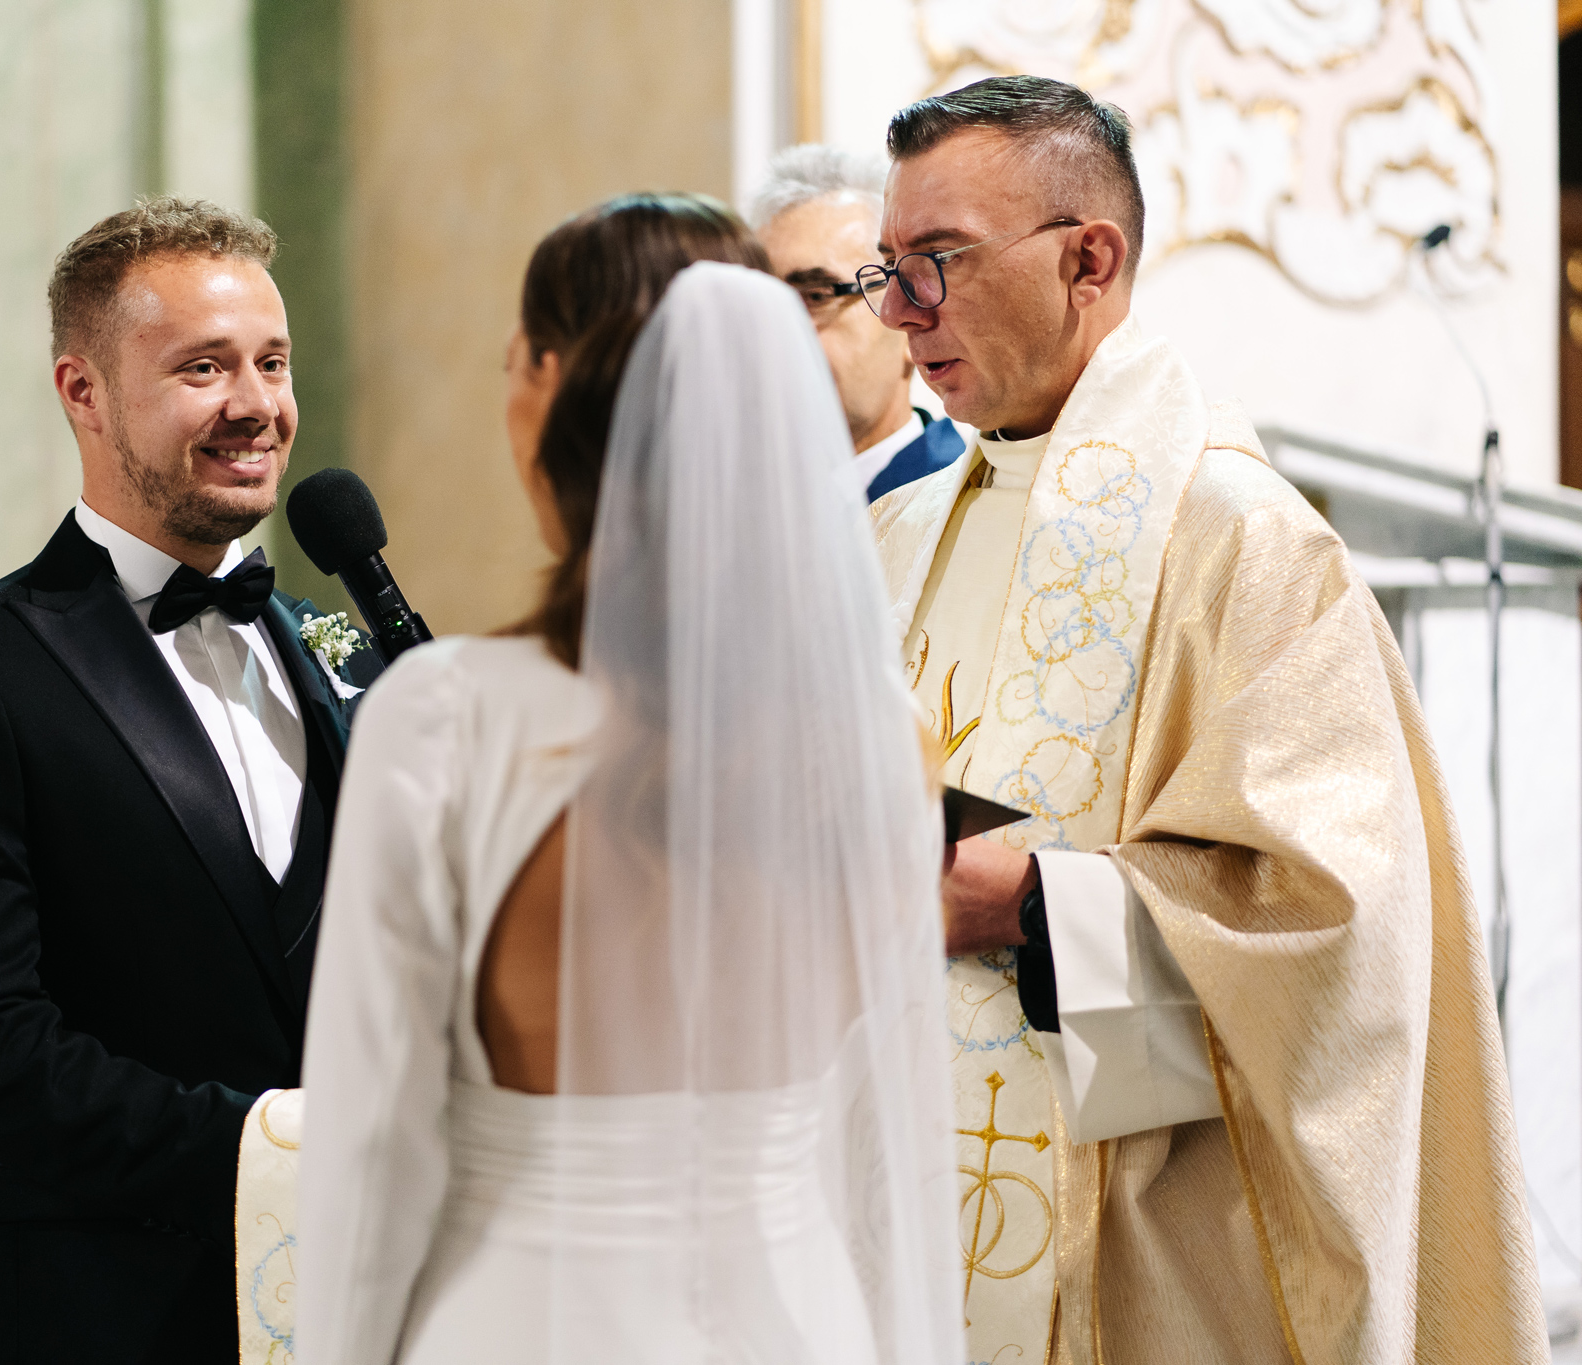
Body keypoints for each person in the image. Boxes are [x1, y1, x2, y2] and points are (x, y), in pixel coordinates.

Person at [867, 76, 1545, 1363]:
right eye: (884, 269)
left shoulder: (1243, 542)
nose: (900, 310)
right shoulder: (895, 536)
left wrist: (1029, 906)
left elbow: (1333, 919)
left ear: (1087, 260)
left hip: (1136, 1239)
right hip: (898, 1191)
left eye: (937, 260)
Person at [297, 195, 962, 1363]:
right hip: (803, 1318)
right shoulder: (880, 734)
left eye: (513, 360)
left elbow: (369, 1152)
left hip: (523, 1319)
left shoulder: (447, 718)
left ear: (556, 384)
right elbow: (887, 1145)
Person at [0, 198, 379, 1364]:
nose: (257, 403)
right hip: (84, 1321)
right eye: (203, 367)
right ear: (81, 391)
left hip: (345, 1312)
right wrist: (274, 1155)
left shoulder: (337, 653)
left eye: (272, 362)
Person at [751, 143, 966, 500]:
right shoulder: (743, 501)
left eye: (816, 296)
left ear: (908, 314)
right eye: (760, 302)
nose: (778, 331)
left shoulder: (961, 506)